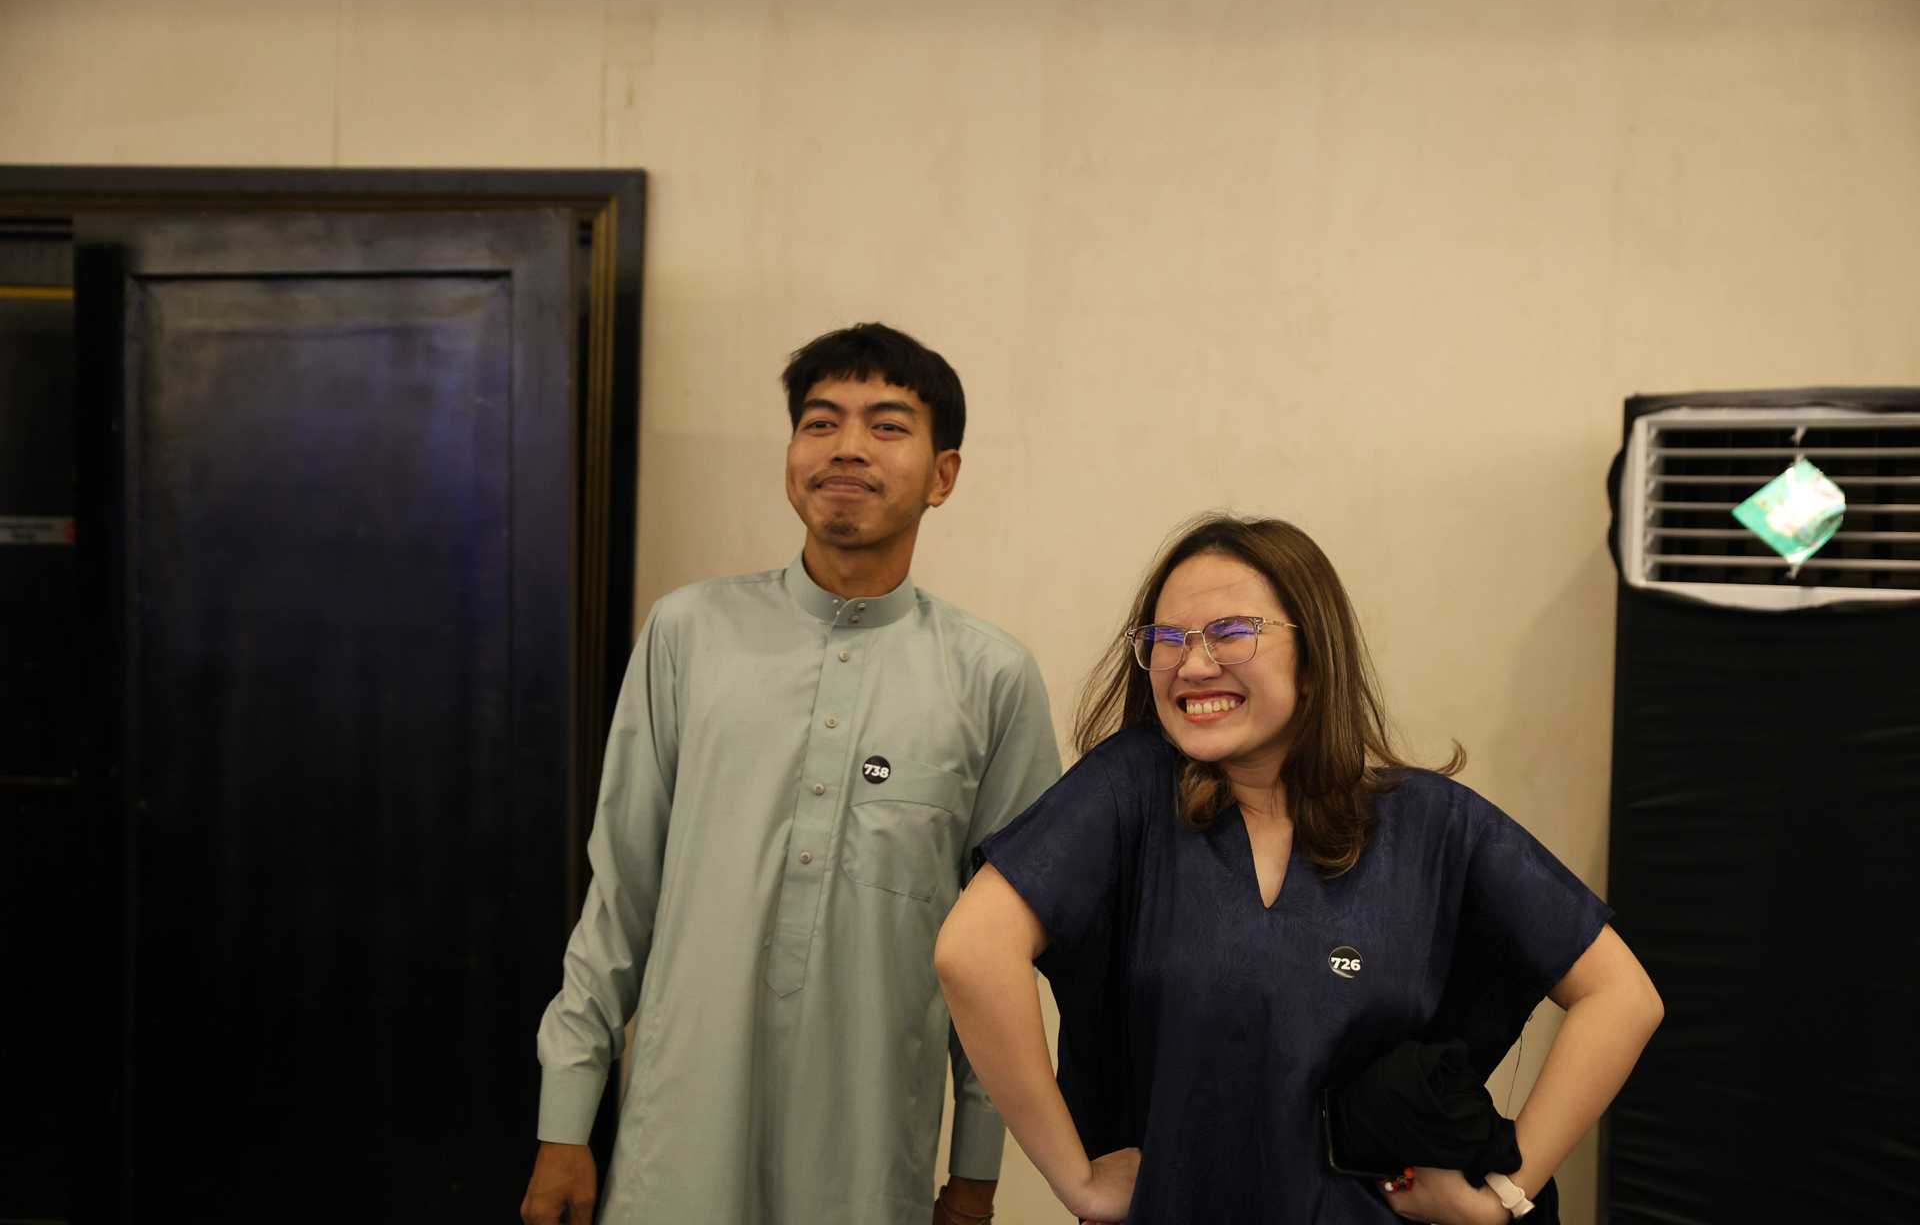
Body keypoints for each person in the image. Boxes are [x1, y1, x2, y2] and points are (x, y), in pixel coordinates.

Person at [936, 515, 1664, 1224]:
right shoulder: (1129, 792)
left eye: (1230, 632)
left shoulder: (1434, 824)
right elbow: (974, 951)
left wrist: (1506, 1193)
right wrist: (1076, 1179)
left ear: (1313, 660)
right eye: (1166, 639)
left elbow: (1623, 996)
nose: (1193, 664)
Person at [522, 324, 1061, 1225]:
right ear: (791, 457)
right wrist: (564, 1121)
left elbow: (1002, 954)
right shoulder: (687, 635)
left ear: (943, 475)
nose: (846, 446)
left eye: (886, 426)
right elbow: (620, 894)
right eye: (820, 422)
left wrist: (977, 1168)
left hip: (866, 1157)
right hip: (676, 1145)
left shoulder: (992, 679)